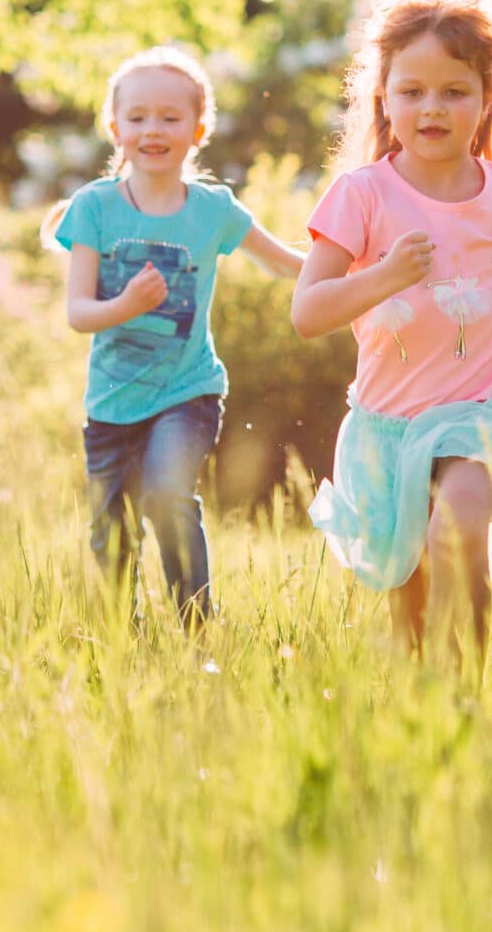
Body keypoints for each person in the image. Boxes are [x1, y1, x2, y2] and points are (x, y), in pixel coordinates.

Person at [291, 0, 492, 663]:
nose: (433, 107)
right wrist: (386, 274)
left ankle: (469, 678)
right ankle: (426, 697)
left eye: (454, 91)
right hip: (386, 427)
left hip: (482, 412)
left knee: (458, 524)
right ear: (383, 97)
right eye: (412, 91)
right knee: (411, 593)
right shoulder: (360, 195)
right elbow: (308, 312)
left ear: (486, 100)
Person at [52, 47, 305, 626]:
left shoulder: (213, 209)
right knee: (109, 538)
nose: (153, 130)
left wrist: (369, 269)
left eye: (170, 117)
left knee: (167, 496)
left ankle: (198, 628)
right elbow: (78, 312)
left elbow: (287, 263)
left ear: (199, 128)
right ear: (115, 128)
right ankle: (122, 644)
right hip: (112, 404)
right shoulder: (94, 207)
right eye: (137, 117)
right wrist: (127, 304)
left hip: (187, 392)